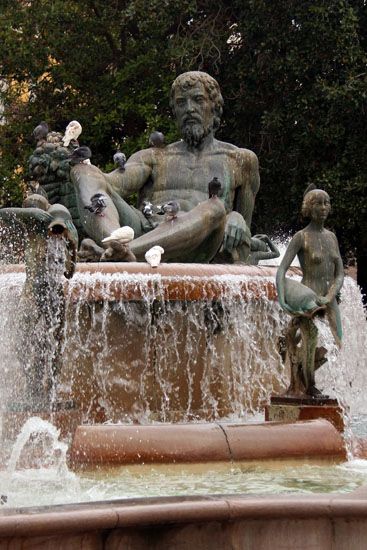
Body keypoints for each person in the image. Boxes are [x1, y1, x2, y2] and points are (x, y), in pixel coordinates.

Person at [71, 71, 260, 263]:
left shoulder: (241, 161)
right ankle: (112, 244)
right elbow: (109, 183)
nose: (189, 109)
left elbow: (245, 236)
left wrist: (237, 218)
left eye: (198, 100)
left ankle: (124, 252)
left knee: (215, 208)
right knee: (84, 172)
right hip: (146, 229)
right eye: (181, 103)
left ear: (215, 107)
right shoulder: (155, 156)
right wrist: (83, 168)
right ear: (175, 112)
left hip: (197, 245)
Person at [276, 188, 344, 397]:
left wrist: (330, 296)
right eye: (318, 203)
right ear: (308, 207)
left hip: (328, 299)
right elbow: (281, 269)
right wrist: (283, 298)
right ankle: (310, 386)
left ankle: (300, 374)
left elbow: (339, 273)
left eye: (326, 203)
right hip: (308, 299)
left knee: (337, 342)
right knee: (311, 339)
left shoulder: (332, 237)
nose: (323, 208)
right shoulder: (301, 237)